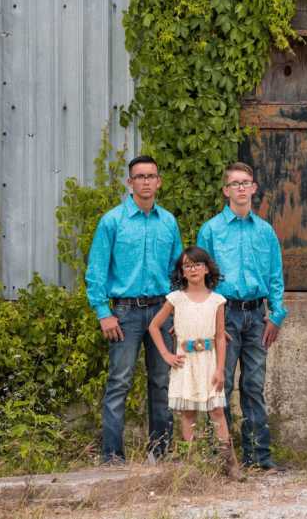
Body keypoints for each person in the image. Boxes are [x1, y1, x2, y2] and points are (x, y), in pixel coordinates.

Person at [85, 155, 183, 464]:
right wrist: (103, 311)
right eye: (139, 176)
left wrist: (175, 310)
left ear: (159, 182)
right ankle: (113, 456)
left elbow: (177, 270)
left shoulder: (168, 222)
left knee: (162, 381)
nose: (145, 181)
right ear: (130, 182)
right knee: (119, 382)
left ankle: (160, 454)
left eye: (150, 176)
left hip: (160, 311)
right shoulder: (112, 221)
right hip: (124, 313)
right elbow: (96, 270)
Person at [196, 161, 287, 471]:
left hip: (256, 316)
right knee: (221, 384)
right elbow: (200, 279)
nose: (241, 188)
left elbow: (275, 275)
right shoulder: (211, 230)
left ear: (254, 188)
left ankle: (258, 456)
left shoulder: (265, 231)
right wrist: (213, 322)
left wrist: (276, 314)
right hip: (225, 315)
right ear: (226, 190)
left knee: (254, 385)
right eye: (234, 183)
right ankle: (223, 457)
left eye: (245, 182)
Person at [147, 246, 244, 481]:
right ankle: (192, 465)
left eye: (197, 264)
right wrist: (167, 355)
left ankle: (229, 463)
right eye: (187, 265)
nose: (192, 269)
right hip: (185, 363)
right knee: (188, 413)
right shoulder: (176, 299)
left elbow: (221, 337)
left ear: (207, 268)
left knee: (217, 410)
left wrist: (221, 369)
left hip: (209, 361)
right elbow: (153, 326)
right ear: (181, 271)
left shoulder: (217, 301)